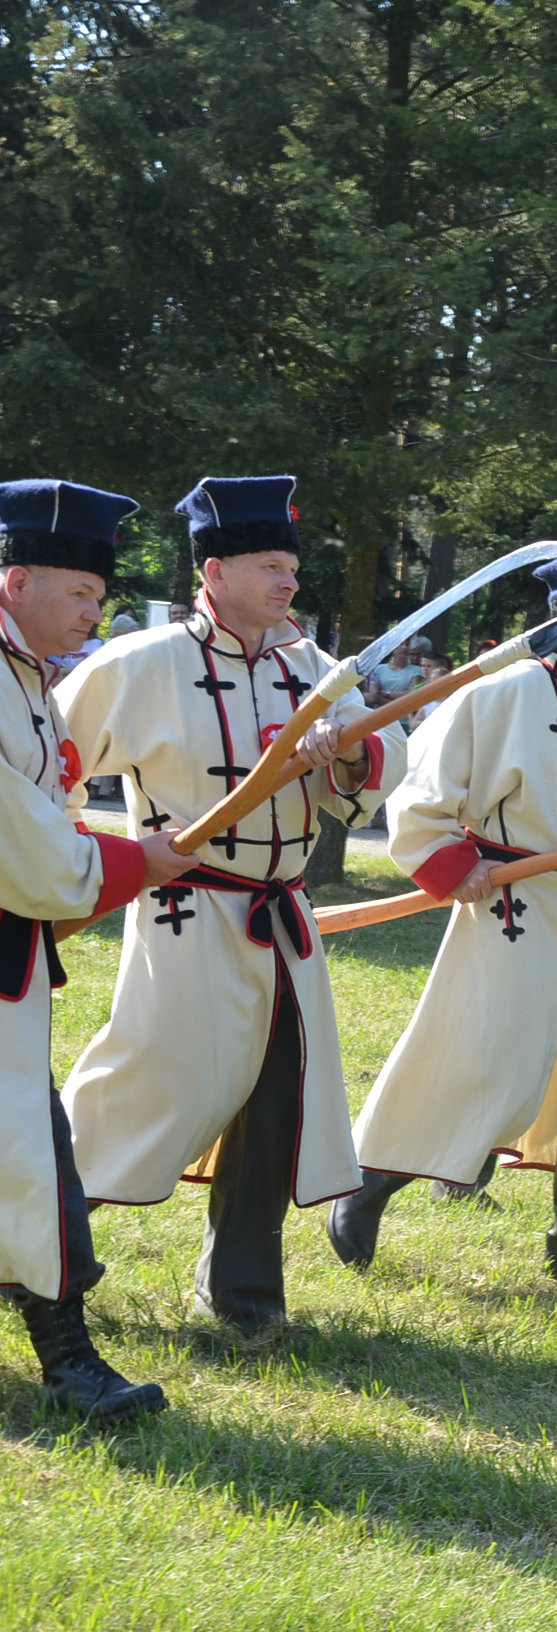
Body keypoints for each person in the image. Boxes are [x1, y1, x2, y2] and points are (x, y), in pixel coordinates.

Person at [54, 475, 407, 1335]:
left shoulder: (315, 671)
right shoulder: (139, 663)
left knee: (275, 1102)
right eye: (269, 565)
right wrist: (77, 864)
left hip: (283, 922)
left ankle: (244, 1294)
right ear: (213, 572)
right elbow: (43, 765)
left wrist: (349, 755)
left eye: (292, 566)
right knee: (153, 1086)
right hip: (186, 911)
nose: (289, 582)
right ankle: (31, 1241)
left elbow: (381, 768)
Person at [332, 550, 557, 1286]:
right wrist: (458, 866)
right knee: (489, 1072)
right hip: (512, 909)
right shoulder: (495, 693)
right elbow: (421, 796)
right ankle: (368, 1185)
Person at [1, 478, 177, 1420]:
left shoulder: (30, 677)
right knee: (32, 1149)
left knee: (32, 1145)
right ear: (16, 579)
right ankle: (70, 1366)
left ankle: (68, 1358)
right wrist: (129, 858)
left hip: (9, 951)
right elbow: (20, 837)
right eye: (79, 594)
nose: (93, 614)